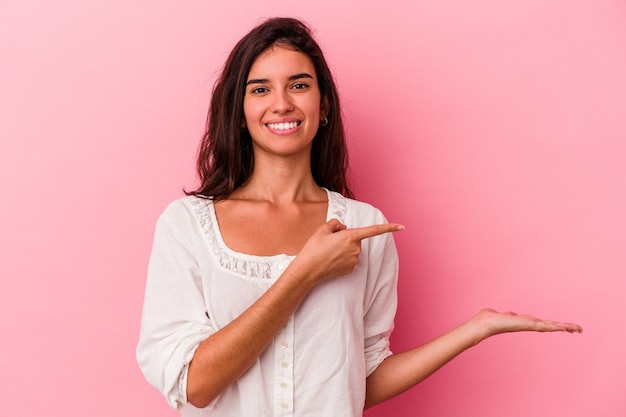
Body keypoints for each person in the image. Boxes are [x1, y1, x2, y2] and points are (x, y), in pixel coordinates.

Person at [136, 17, 582, 417]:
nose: (282, 103)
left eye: (299, 85)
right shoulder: (187, 226)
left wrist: (476, 328)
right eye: (260, 89)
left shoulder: (365, 227)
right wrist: (304, 273)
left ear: (324, 105)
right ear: (238, 111)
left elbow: (360, 381)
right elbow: (195, 386)